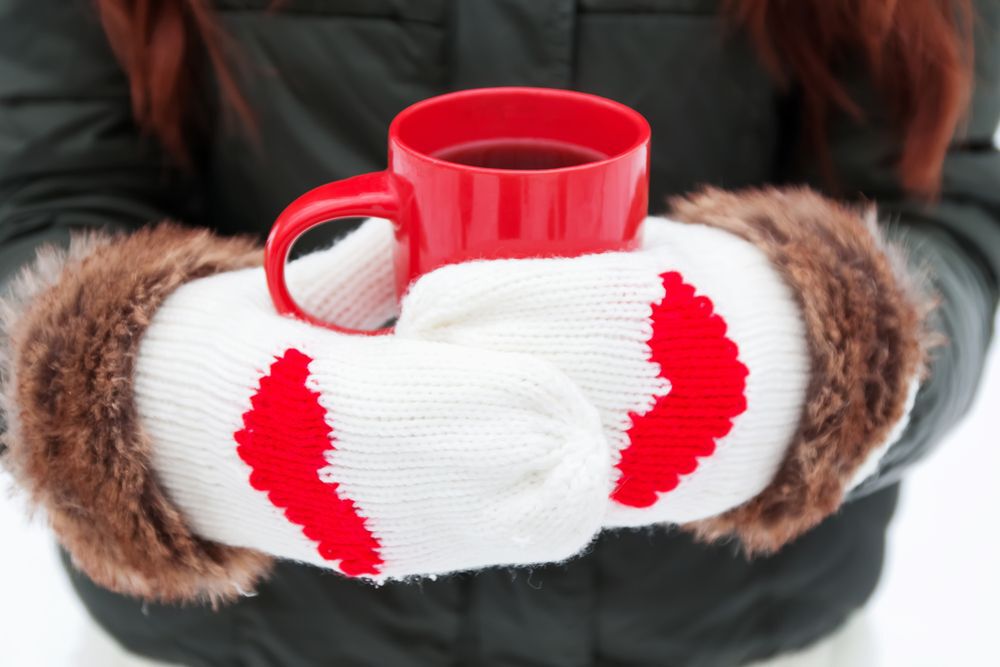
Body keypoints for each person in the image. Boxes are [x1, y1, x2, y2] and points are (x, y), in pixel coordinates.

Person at [0, 1, 996, 665]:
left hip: (741, 634)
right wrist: (144, 389)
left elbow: (939, 197)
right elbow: (40, 186)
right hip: (240, 646)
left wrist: (823, 353)